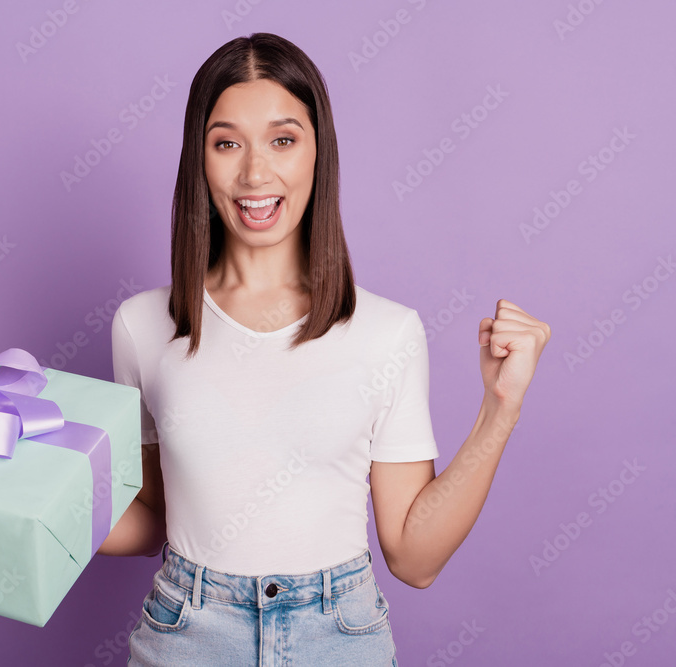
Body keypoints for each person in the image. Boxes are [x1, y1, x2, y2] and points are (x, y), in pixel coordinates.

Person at [98, 33, 550, 666]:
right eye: (227, 142)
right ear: (198, 158)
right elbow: (155, 517)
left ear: (319, 151)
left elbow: (413, 559)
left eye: (283, 139)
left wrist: (501, 407)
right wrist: (29, 501)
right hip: (187, 634)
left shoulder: (386, 332)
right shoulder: (144, 325)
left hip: (336, 637)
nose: (256, 173)